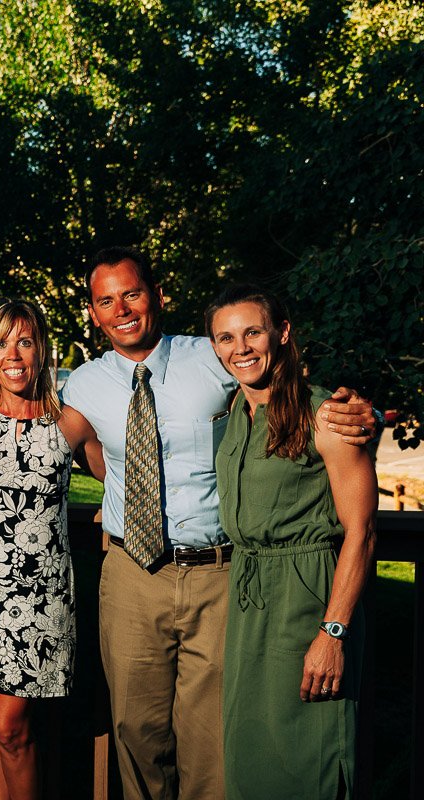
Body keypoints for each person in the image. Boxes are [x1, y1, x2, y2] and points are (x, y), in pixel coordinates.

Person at [0, 246, 375, 799]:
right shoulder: (81, 387)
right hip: (130, 576)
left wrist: (356, 408)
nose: (122, 309)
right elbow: (41, 440)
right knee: (135, 734)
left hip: (218, 578)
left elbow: (281, 378)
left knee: (210, 743)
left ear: (157, 296)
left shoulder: (213, 356)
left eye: (132, 294)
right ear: (93, 314)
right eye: (107, 301)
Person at [205, 286, 375, 799]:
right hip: (249, 600)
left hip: (307, 598)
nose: (240, 348)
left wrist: (333, 633)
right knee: (251, 757)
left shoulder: (326, 415)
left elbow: (363, 532)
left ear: (281, 333)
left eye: (252, 332)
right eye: (226, 338)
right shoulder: (234, 410)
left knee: (310, 756)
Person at [0, 300, 103, 800]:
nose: (13, 354)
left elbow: (120, 480)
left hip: (40, 595)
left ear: (42, 351)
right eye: (1, 344)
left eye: (25, 342)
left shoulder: (70, 423)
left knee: (12, 723)